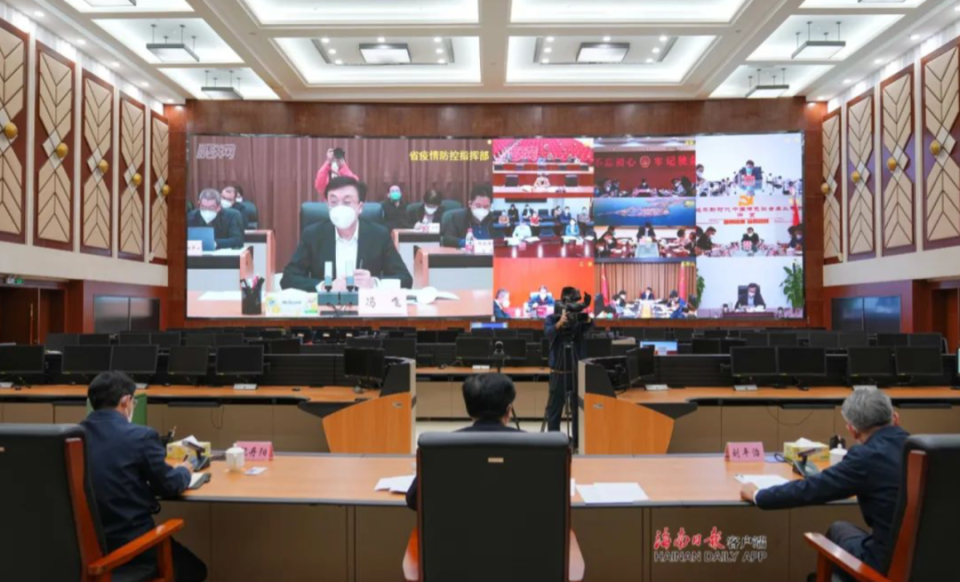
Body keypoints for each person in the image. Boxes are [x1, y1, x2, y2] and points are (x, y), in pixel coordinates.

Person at [741, 388, 909, 581]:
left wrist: (758, 494)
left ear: (852, 430)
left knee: (836, 534)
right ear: (896, 418)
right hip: (927, 562)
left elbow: (811, 489)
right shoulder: (923, 449)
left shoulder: (865, 458)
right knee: (840, 529)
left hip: (886, 567)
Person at [81, 372, 207, 582]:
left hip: (87, 555)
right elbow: (169, 485)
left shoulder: (73, 436)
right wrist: (185, 470)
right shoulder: (141, 436)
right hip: (133, 551)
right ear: (126, 401)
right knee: (196, 569)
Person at [406, 374, 521, 510]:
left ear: (469, 411)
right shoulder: (534, 448)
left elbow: (413, 499)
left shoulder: (441, 448)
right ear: (508, 411)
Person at [281, 176, 412, 291]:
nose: (340, 207)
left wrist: (374, 283)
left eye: (347, 202)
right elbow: (288, 278)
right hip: (326, 308)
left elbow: (405, 279)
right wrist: (324, 286)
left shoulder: (379, 235)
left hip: (365, 309)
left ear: (360, 207)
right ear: (328, 206)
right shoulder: (313, 235)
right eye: (334, 202)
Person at [544, 287, 592, 432]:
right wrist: (559, 323)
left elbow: (591, 325)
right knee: (554, 410)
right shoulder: (552, 318)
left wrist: (586, 317)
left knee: (577, 410)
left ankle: (576, 441)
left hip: (575, 372)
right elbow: (548, 333)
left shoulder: (578, 319)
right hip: (558, 373)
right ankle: (554, 440)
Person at [440, 184, 494, 248]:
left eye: (486, 207)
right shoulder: (458, 218)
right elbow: (447, 239)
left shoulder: (495, 219)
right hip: (466, 253)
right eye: (478, 206)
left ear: (491, 206)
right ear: (470, 204)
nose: (482, 209)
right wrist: (466, 243)